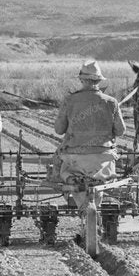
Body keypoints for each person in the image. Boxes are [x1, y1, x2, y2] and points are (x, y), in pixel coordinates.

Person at [52, 60, 126, 193]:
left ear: (82, 80)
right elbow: (120, 131)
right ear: (98, 81)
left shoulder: (69, 100)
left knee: (58, 165)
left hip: (74, 158)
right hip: (104, 159)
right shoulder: (111, 102)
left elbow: (58, 130)